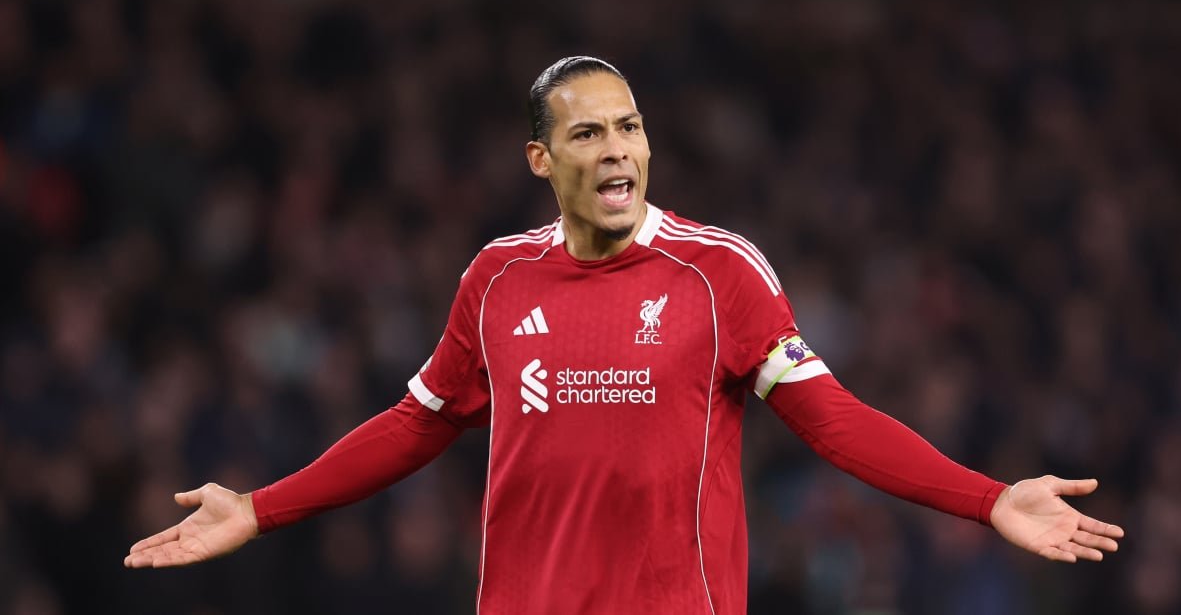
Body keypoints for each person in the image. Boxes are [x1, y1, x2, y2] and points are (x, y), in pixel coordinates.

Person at [125, 56, 1124, 613]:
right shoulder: (496, 277)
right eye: (590, 133)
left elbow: (835, 423)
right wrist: (262, 509)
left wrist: (988, 499)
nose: (619, 151)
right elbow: (412, 426)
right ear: (540, 156)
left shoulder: (719, 272)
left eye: (631, 127)